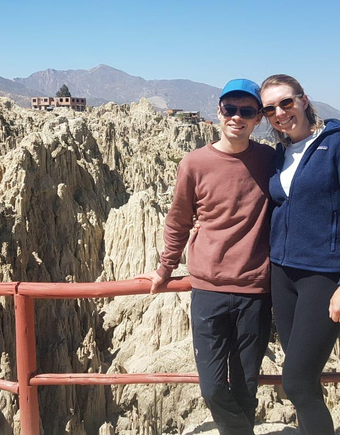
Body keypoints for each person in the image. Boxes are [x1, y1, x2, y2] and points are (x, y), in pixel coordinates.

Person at [138, 79, 275, 435]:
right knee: (213, 386)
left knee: (246, 384)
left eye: (247, 112)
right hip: (209, 289)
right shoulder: (195, 163)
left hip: (255, 289)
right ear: (219, 111)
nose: (237, 117)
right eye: (231, 109)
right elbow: (178, 220)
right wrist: (165, 269)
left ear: (258, 118)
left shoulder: (269, 160)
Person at [258, 74, 340, 435]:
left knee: (295, 380)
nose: (279, 113)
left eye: (286, 103)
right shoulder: (282, 153)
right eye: (270, 109)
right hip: (283, 274)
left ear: (304, 100)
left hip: (322, 278)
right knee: (304, 380)